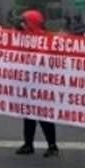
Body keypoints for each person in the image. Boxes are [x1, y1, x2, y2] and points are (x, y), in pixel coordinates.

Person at [15, 10, 59, 157]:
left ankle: (52, 146)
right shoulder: (22, 38)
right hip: (28, 83)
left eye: (25, 21)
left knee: (44, 116)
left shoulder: (47, 39)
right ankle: (28, 144)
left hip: (43, 84)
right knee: (28, 115)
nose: (22, 24)